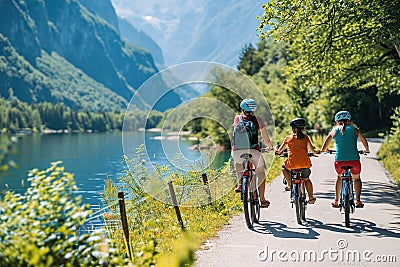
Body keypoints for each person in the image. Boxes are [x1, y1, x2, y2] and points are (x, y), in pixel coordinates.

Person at [321, 111, 370, 208]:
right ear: (349, 120)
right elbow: (365, 142)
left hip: (339, 162)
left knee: (340, 177)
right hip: (354, 161)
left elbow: (323, 148)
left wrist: (327, 150)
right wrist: (366, 150)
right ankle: (358, 201)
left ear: (337, 121)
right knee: (357, 179)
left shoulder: (334, 130)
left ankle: (336, 201)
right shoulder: (355, 130)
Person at [232, 99, 273, 208]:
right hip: (254, 150)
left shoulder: (237, 118)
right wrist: (269, 147)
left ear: (242, 109)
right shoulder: (258, 120)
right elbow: (265, 136)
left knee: (238, 163)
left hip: (237, 150)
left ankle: (240, 184)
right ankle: (263, 199)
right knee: (260, 172)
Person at [275, 118, 319, 204]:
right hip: (305, 164)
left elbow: (280, 151)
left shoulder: (288, 138)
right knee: (306, 179)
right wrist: (317, 152)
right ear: (303, 128)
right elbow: (313, 151)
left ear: (293, 128)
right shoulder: (306, 138)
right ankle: (311, 198)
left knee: (284, 168)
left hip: (292, 165)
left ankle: (289, 184)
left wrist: (277, 152)